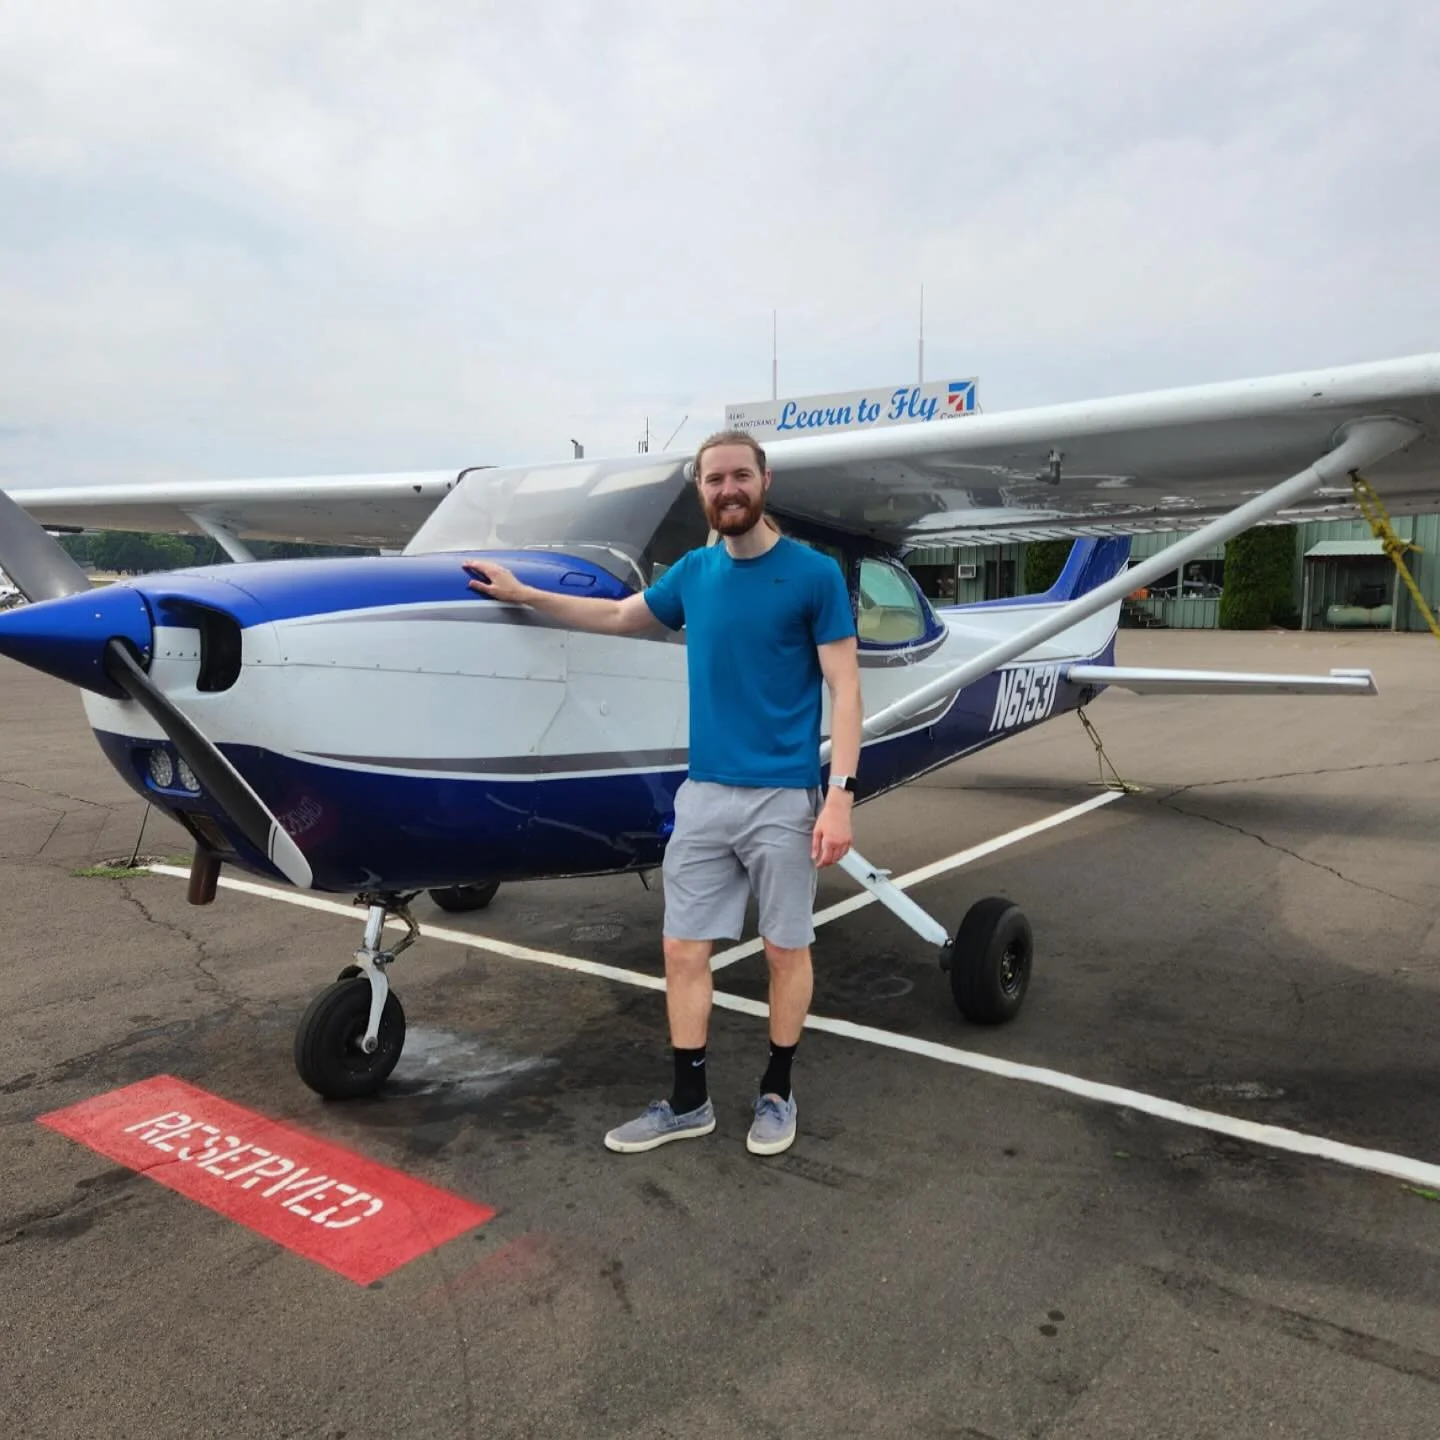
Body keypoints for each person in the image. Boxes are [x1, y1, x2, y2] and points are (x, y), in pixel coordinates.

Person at [463, 431, 863, 1156]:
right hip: (705, 794)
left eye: (741, 475)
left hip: (785, 795)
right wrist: (524, 595)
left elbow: (846, 686)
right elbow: (620, 616)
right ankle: (688, 1101)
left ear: (764, 481)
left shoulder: (813, 576)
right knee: (682, 949)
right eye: (714, 480)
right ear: (702, 491)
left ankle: (777, 1089)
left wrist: (840, 795)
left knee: (784, 949)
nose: (728, 490)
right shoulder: (693, 575)